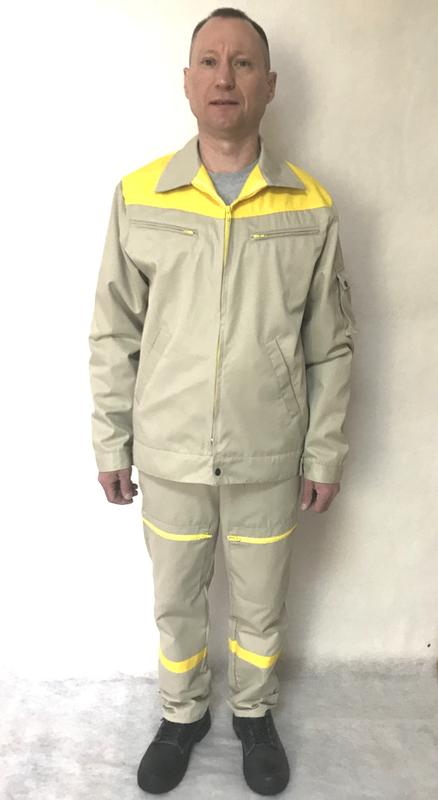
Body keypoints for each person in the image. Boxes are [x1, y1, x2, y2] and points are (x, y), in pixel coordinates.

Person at [88, 6, 357, 796]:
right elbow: (113, 331)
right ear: (187, 82)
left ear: (269, 85)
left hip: (268, 452)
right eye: (209, 61)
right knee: (176, 602)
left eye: (242, 63)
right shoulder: (141, 195)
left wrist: (324, 452)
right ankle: (181, 715)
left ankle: (253, 713)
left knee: (261, 606)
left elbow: (332, 344)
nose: (225, 77)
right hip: (169, 452)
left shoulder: (309, 205)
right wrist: (111, 443)